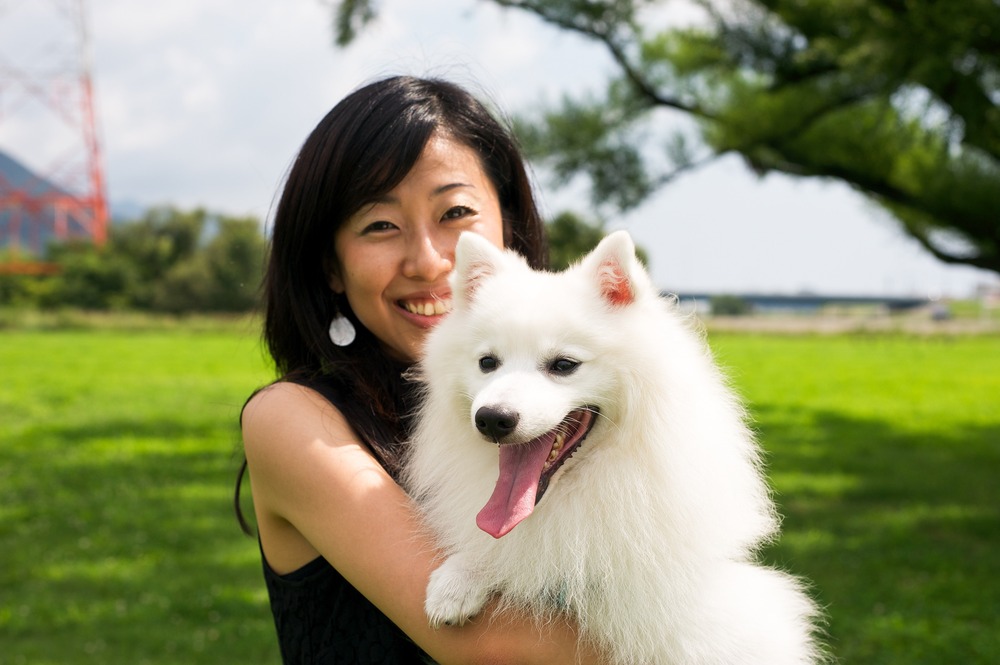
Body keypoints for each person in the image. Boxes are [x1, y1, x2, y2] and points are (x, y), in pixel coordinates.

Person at [235, 76, 604, 664]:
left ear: (505, 225)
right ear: (331, 266)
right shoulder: (294, 421)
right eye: (380, 225)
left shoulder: (579, 412)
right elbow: (496, 647)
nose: (429, 261)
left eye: (455, 212)